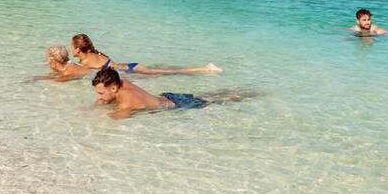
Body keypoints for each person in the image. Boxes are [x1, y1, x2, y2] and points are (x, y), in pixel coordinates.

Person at [90, 68, 252, 119]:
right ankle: (241, 90)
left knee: (216, 100)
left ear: (113, 88)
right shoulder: (122, 82)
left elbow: (115, 118)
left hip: (177, 104)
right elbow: (107, 99)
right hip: (169, 96)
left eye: (101, 93)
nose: (99, 97)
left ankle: (248, 94)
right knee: (209, 95)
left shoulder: (127, 104)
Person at [70, 33, 222, 75]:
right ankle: (204, 68)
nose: (71, 49)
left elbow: (76, 72)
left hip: (129, 71)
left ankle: (206, 69)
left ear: (78, 49)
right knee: (165, 70)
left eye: (72, 46)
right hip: (131, 66)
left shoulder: (85, 63)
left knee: (170, 72)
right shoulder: (97, 54)